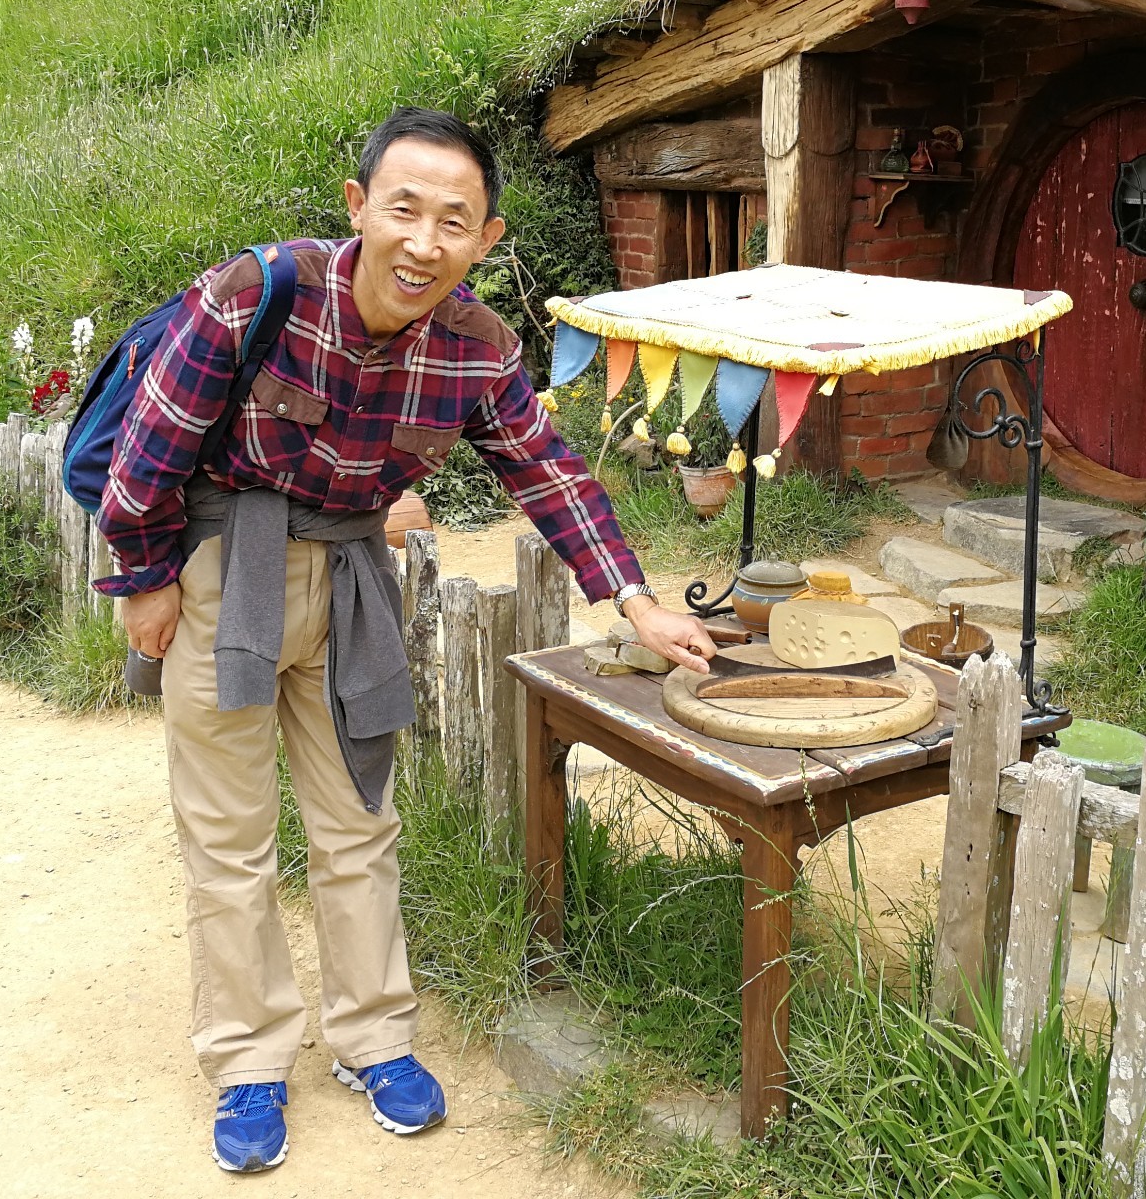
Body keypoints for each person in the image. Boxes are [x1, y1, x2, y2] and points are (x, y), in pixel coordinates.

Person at [94, 107, 715, 1173]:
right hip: (223, 574)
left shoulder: (478, 350)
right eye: (405, 209)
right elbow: (147, 454)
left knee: (358, 822)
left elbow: (549, 473)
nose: (424, 241)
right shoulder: (257, 294)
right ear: (359, 206)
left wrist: (635, 600)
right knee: (229, 836)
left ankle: (373, 1038)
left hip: (353, 582)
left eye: (454, 221)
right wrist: (144, 581)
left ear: (487, 239)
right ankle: (248, 1059)